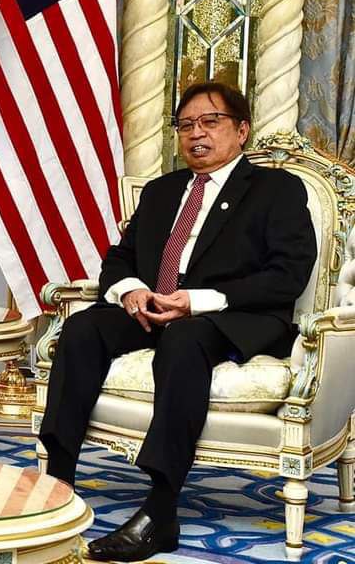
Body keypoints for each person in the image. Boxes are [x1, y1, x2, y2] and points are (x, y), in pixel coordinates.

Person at [39, 82, 316, 561]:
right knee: (82, 328)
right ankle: (57, 483)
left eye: (211, 122)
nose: (196, 134)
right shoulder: (162, 191)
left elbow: (288, 275)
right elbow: (119, 258)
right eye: (186, 125)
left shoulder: (277, 189)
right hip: (154, 308)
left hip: (232, 315)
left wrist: (196, 302)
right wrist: (132, 290)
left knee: (185, 338)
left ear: (242, 130)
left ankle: (160, 511)